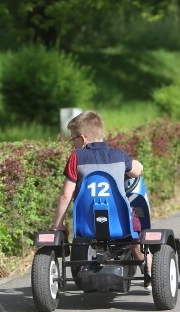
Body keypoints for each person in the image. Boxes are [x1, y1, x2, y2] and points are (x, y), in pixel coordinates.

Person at [51, 111, 150, 287]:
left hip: (86, 226)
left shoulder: (76, 157)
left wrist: (57, 225)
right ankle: (149, 273)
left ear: (82, 139)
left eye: (72, 140)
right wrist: (137, 165)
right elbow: (135, 172)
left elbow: (66, 194)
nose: (72, 144)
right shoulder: (119, 155)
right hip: (120, 223)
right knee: (137, 236)